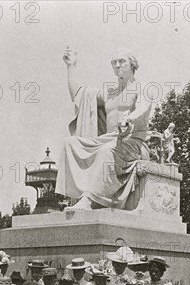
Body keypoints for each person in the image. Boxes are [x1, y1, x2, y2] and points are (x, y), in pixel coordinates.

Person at [57, 47, 153, 210]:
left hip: (132, 143)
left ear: (132, 65)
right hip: (108, 140)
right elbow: (79, 96)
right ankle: (79, 196)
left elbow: (143, 107)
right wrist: (71, 66)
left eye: (122, 61)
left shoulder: (141, 87)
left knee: (106, 151)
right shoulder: (109, 93)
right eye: (114, 62)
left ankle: (89, 199)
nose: (117, 65)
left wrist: (130, 117)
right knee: (70, 143)